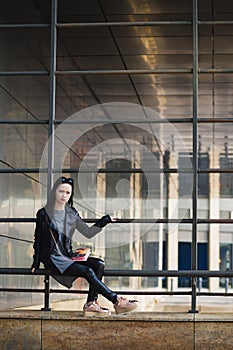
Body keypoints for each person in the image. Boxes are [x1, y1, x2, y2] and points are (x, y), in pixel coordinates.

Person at [31, 176, 137, 316]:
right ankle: (116, 300)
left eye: (68, 193)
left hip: (67, 256)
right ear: (54, 192)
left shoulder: (72, 213)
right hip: (53, 258)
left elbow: (87, 232)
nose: (64, 195)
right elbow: (38, 239)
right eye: (61, 191)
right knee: (87, 271)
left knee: (99, 264)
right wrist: (36, 261)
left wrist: (105, 220)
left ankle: (91, 304)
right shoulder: (43, 214)